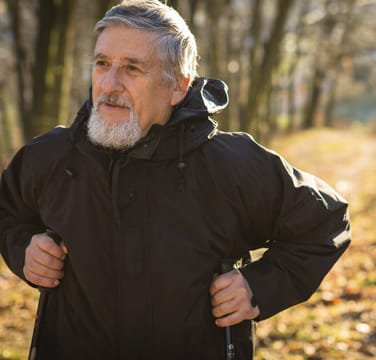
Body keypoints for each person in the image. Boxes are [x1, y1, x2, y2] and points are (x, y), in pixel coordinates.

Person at [0, 1, 351, 359]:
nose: (109, 84)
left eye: (132, 68)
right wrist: (23, 247)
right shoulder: (51, 156)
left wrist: (259, 288)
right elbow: (8, 213)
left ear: (178, 86)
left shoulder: (229, 166)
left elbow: (325, 221)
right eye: (102, 63)